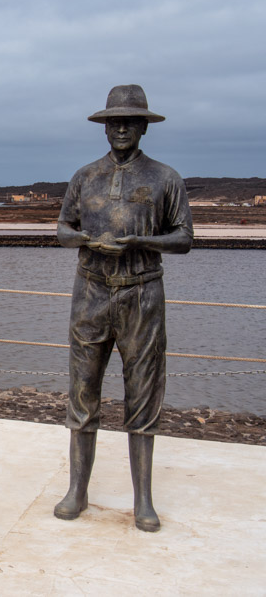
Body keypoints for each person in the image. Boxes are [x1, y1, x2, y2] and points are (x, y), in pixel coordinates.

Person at [54, 84, 193, 532]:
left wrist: (141, 242)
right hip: (91, 293)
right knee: (82, 391)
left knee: (144, 393)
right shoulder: (85, 176)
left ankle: (143, 500)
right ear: (104, 126)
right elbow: (62, 226)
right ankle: (78, 490)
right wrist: (78, 239)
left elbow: (185, 238)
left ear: (143, 127)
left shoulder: (165, 178)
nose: (120, 129)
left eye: (129, 122)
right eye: (113, 122)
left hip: (142, 295)